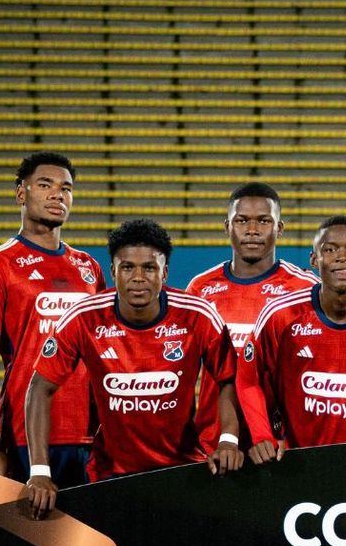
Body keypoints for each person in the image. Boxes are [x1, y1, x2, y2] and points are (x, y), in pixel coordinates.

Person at [24, 219, 243, 519]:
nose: (138, 277)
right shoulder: (83, 318)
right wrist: (39, 471)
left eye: (149, 268)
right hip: (110, 475)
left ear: (165, 272)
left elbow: (229, 378)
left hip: (181, 471)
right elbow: (39, 387)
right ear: (113, 272)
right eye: (127, 267)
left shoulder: (197, 315)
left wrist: (227, 440)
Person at [0, 152, 104, 486]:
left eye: (66, 188)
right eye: (46, 185)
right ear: (21, 194)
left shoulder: (89, 267)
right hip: (27, 437)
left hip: (91, 437)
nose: (58, 194)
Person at [238, 216, 346, 462]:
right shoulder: (281, 315)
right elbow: (248, 380)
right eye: (330, 250)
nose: (342, 257)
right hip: (299, 462)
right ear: (314, 259)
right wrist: (261, 436)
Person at [185, 182, 317, 455]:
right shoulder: (200, 289)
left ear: (279, 228)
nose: (253, 230)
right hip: (214, 444)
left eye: (264, 221)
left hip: (282, 445)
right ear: (227, 227)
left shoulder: (305, 289)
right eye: (242, 220)